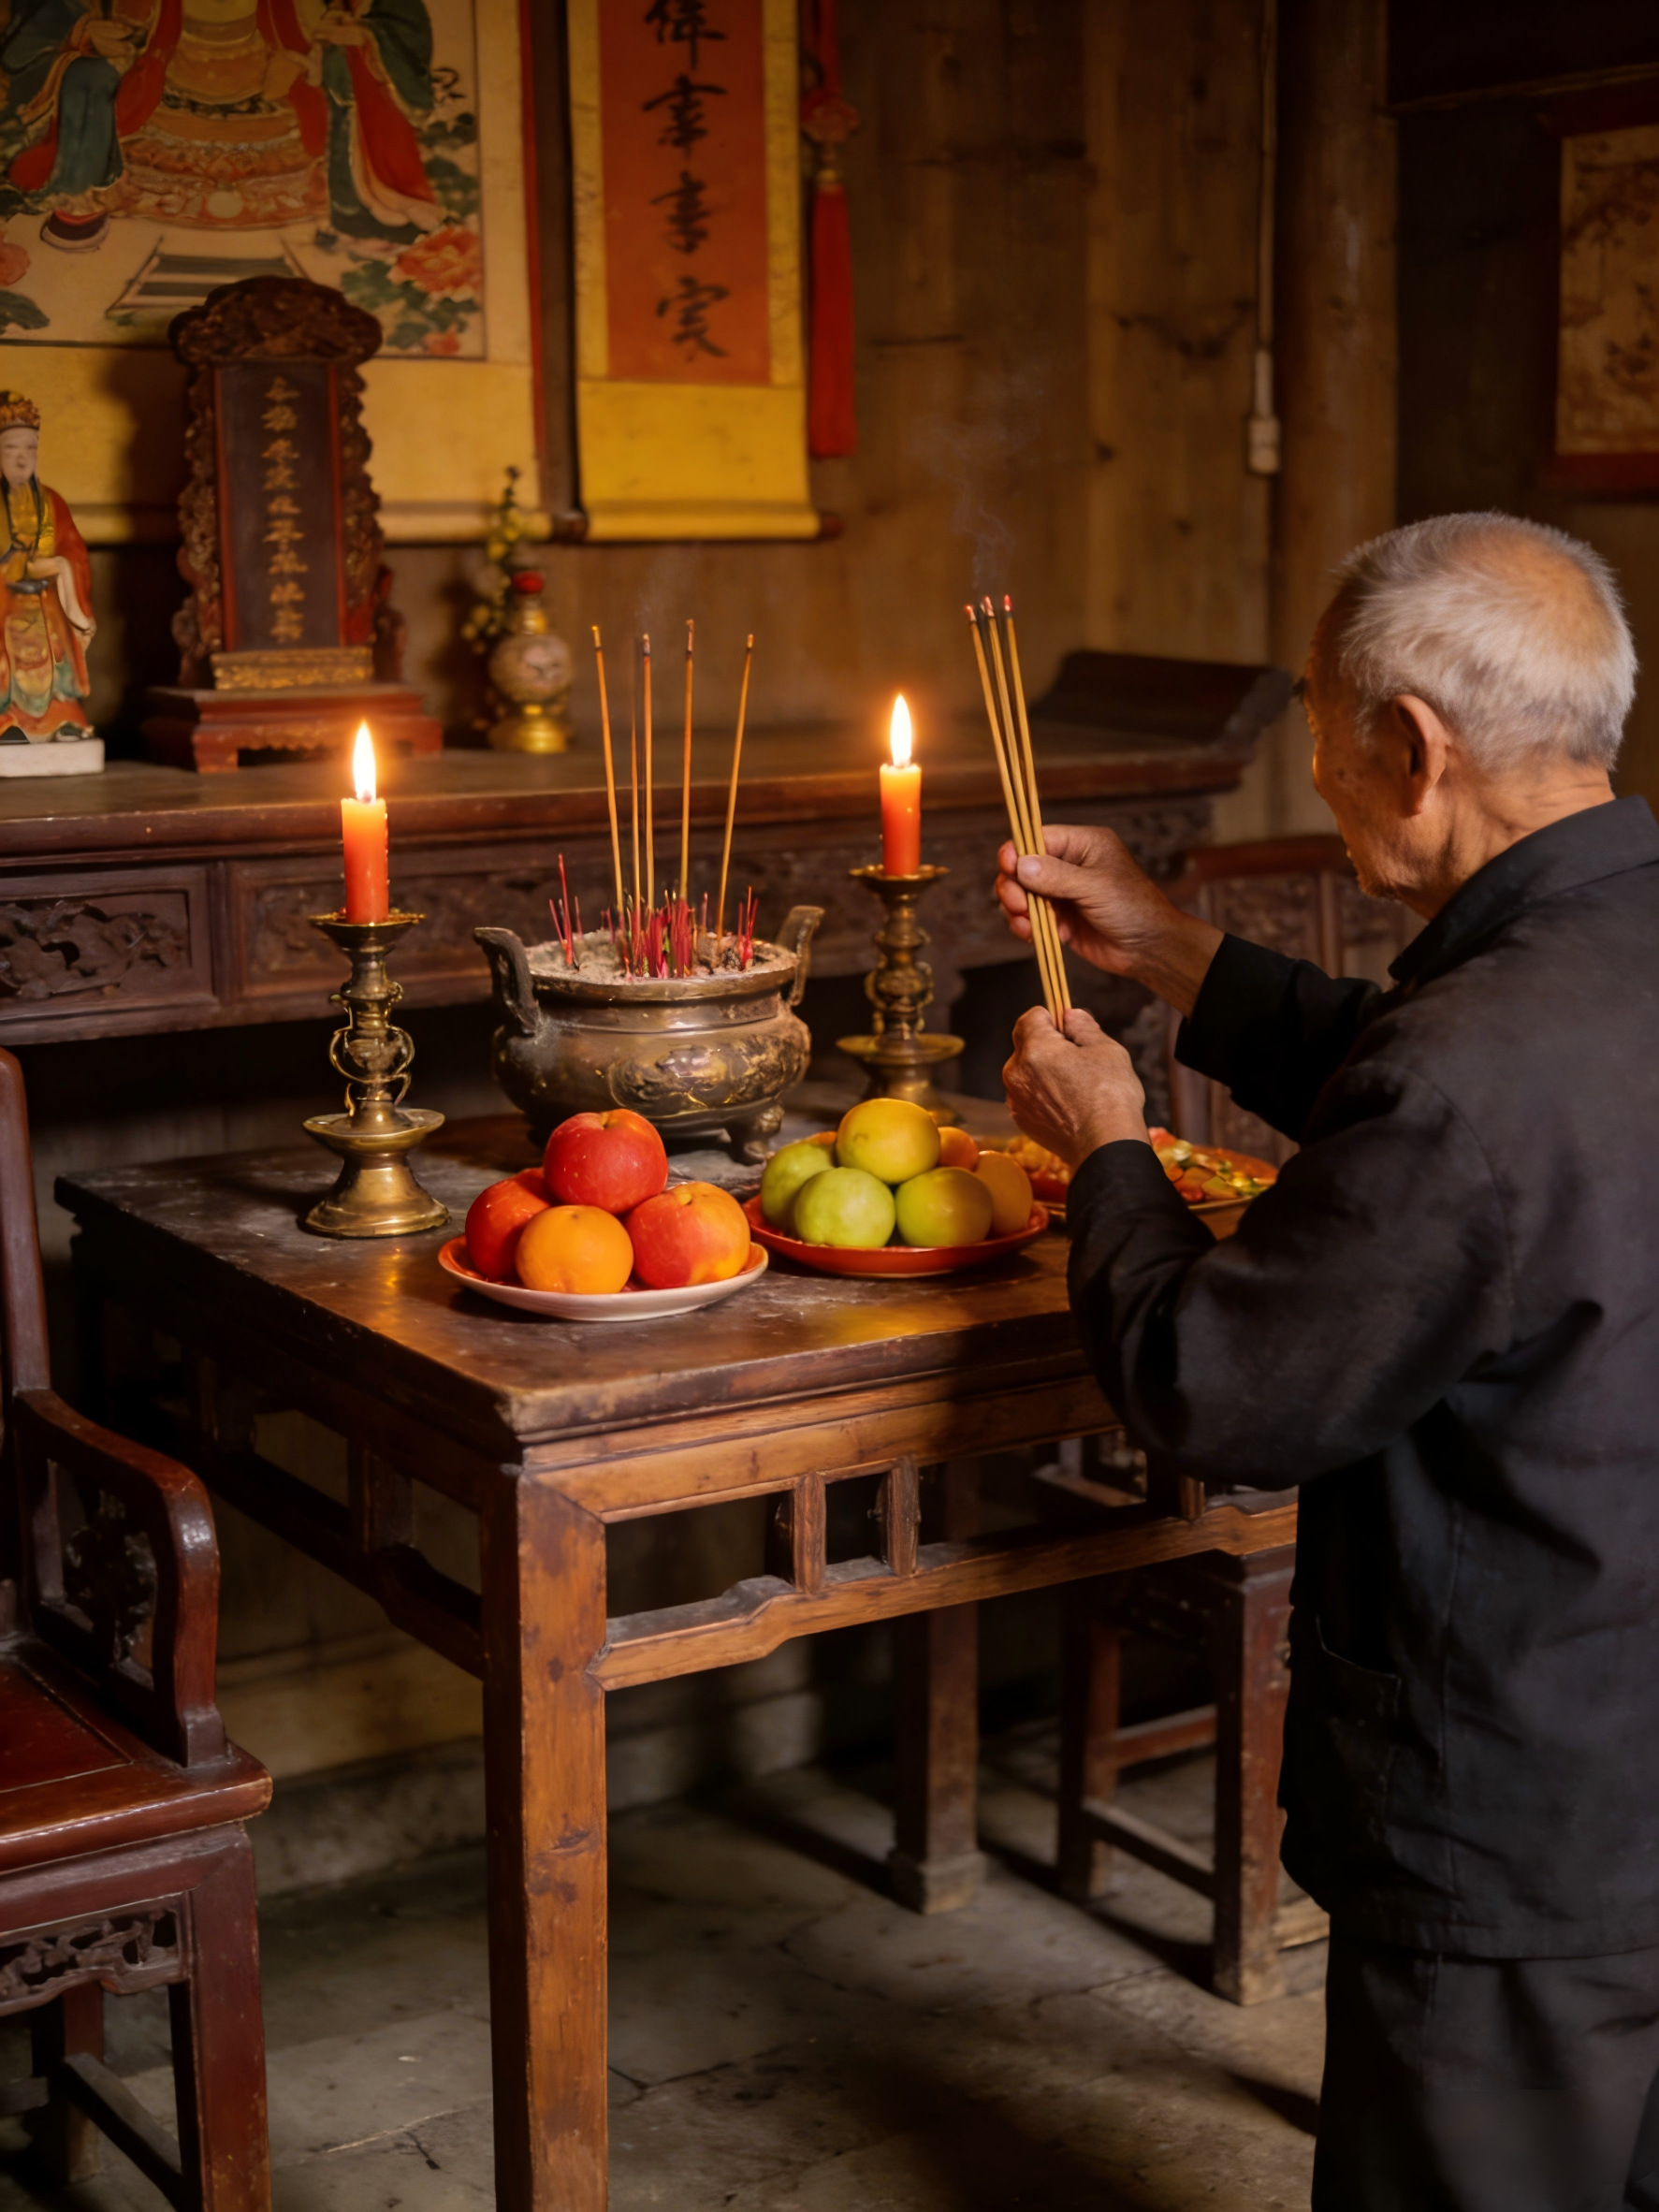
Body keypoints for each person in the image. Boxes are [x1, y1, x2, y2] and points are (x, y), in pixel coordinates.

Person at [997, 512, 1659, 2212]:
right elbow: (1462, 1110)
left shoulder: (1466, 1069)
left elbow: (1217, 1388)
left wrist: (1106, 1152)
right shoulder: (1585, 966)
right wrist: (1168, 943)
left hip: (1523, 1788)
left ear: (1408, 745)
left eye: (1314, 715)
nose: (1313, 755)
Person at [0, 389, 95, 744]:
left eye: (30, 449)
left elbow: (74, 550)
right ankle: (8, 721)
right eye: (11, 449)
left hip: (46, 604)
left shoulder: (52, 502)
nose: (22, 458)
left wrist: (62, 566)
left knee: (55, 665)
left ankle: (60, 720)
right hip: (4, 607)